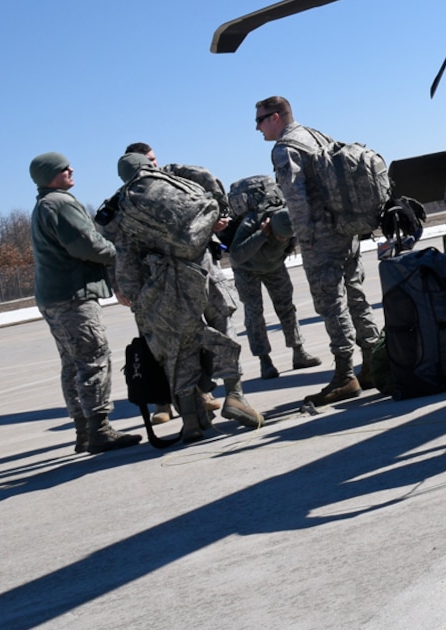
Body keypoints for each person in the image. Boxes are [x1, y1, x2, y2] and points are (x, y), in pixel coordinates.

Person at [102, 152, 262, 440]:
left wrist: (135, 297)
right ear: (149, 166)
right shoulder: (172, 179)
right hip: (203, 265)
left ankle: (190, 421)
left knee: (180, 342)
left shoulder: (124, 206)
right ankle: (235, 394)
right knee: (223, 322)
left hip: (166, 280)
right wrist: (219, 210)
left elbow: (124, 257)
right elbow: (206, 176)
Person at [257, 95, 381, 406]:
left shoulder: (285, 148)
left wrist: (302, 239)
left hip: (321, 237)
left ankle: (344, 375)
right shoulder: (315, 135)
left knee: (331, 303)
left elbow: (297, 199)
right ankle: (373, 363)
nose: (257, 128)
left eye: (259, 120)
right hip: (346, 229)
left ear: (275, 117)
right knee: (356, 297)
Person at [28, 152, 140, 455]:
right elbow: (86, 245)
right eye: (64, 167)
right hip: (73, 296)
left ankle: (83, 431)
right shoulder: (61, 204)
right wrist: (120, 252)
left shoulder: (44, 205)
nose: (71, 169)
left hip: (53, 296)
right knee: (93, 357)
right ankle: (99, 429)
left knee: (72, 363)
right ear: (50, 174)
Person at [220, 174, 322, 380]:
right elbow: (237, 255)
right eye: (280, 237)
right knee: (254, 314)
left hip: (274, 265)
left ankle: (298, 352)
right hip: (246, 269)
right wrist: (262, 235)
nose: (283, 239)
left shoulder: (289, 219)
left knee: (287, 307)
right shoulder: (251, 222)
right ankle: (264, 361)